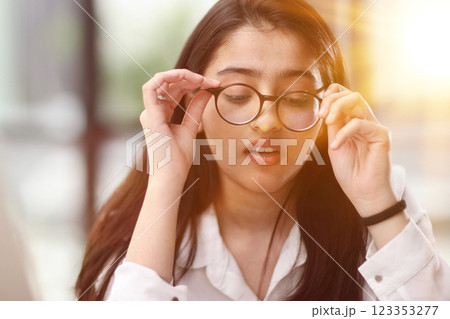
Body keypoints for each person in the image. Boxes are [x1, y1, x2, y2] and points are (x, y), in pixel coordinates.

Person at [75, 0, 450, 301]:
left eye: (298, 96)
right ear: (193, 106)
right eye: (237, 95)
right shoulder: (142, 212)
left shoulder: (384, 197)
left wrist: (376, 203)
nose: (267, 122)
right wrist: (166, 181)